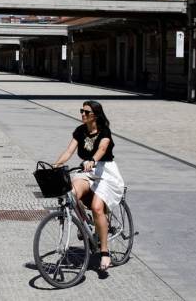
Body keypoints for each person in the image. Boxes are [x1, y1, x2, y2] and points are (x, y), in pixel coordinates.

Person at [53, 100, 124, 271]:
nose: (82, 114)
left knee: (97, 207)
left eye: (86, 112)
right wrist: (55, 165)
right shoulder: (80, 131)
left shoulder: (104, 131)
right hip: (87, 171)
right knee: (71, 193)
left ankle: (104, 252)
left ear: (95, 115)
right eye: (81, 111)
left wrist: (93, 160)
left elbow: (102, 148)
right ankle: (86, 224)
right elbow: (69, 151)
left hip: (105, 172)